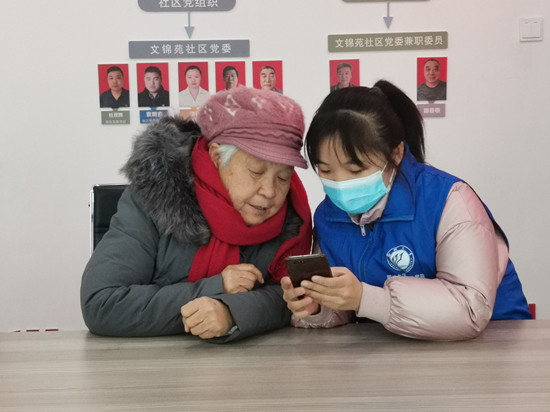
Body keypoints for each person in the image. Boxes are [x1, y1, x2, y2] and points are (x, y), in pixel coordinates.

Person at [282, 81, 532, 341]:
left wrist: (367, 298)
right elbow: (343, 305)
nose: (341, 183)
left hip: (495, 341)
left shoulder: (449, 200)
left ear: (396, 153)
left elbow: (470, 309)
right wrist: (317, 306)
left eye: (355, 170)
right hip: (391, 349)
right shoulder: (327, 216)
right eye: (326, 170)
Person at [81, 87, 312, 342]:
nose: (270, 192)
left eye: (283, 178)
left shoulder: (292, 217)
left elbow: (290, 298)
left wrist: (231, 312)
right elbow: (102, 303)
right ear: (217, 156)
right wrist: (216, 288)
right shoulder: (155, 194)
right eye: (256, 172)